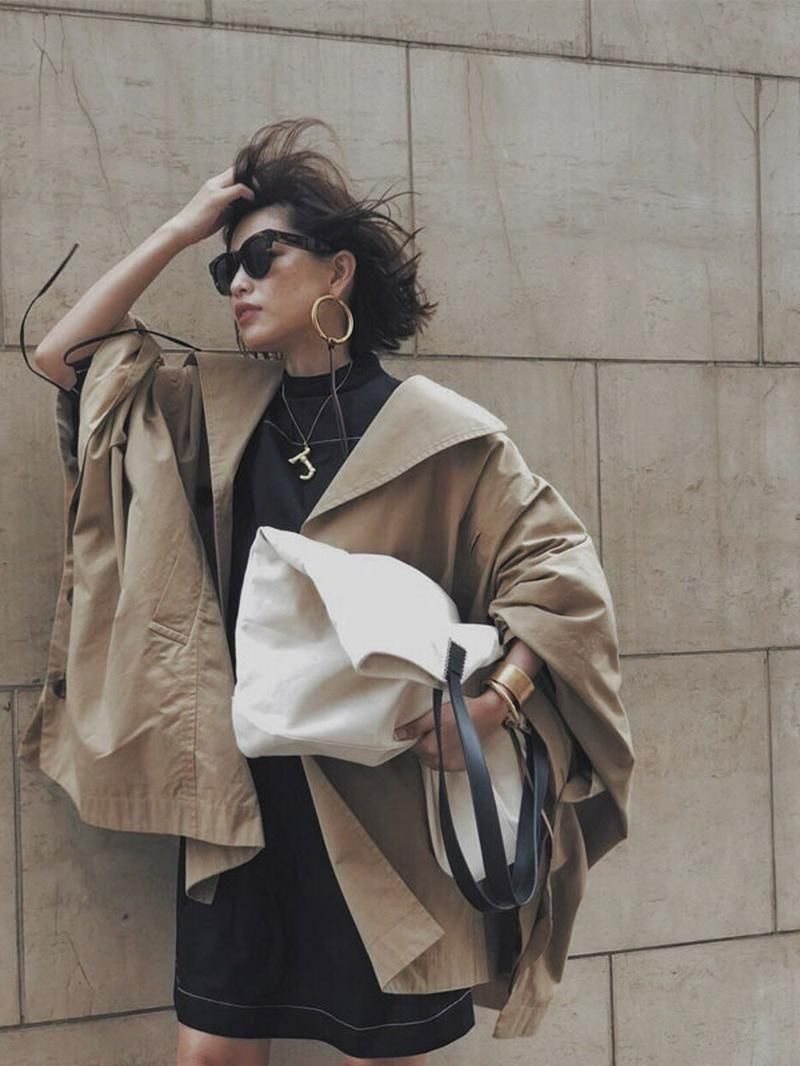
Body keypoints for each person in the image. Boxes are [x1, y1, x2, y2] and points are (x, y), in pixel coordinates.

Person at [26, 118, 633, 1066]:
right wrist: (182, 230)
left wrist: (493, 704)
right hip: (240, 798)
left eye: (260, 258)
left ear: (337, 272)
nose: (237, 283)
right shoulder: (214, 408)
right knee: (211, 1053)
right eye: (223, 269)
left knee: (379, 1055)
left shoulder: (441, 432)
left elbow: (561, 580)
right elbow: (63, 359)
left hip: (380, 800)